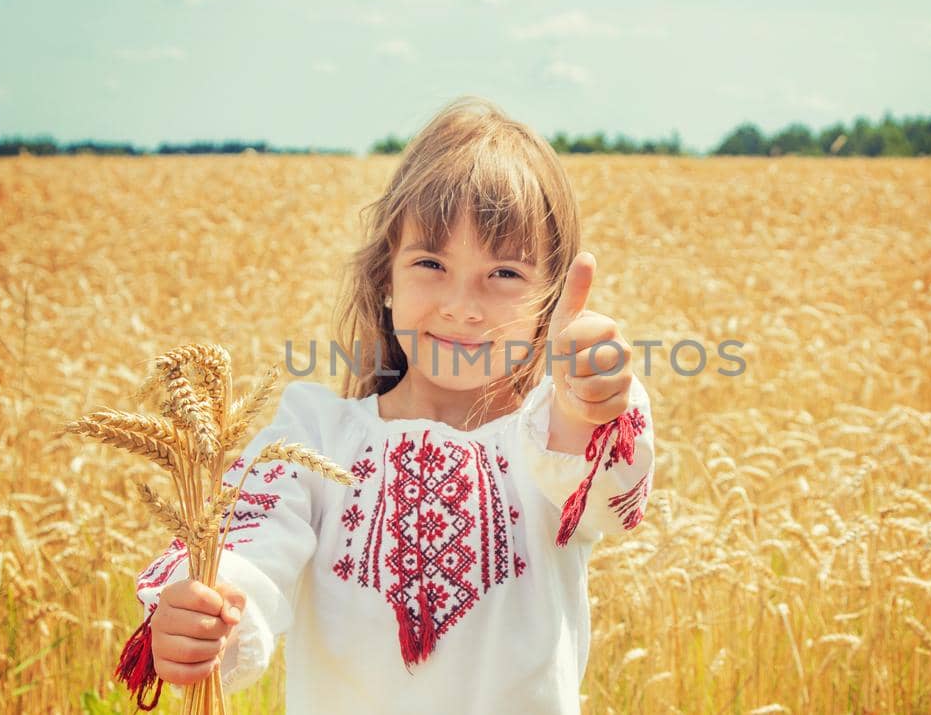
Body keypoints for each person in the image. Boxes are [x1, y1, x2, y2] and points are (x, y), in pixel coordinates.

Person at [129, 95, 655, 714]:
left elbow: (608, 497)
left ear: (552, 295)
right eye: (431, 263)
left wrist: (587, 406)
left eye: (504, 274)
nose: (462, 306)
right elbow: (250, 547)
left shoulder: (549, 431)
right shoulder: (313, 436)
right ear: (385, 276)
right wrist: (208, 613)